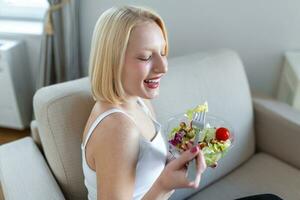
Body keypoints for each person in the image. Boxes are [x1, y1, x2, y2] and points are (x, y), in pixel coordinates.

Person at [81, 5, 207, 200]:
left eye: (163, 52)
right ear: (113, 61)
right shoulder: (117, 128)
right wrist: (164, 185)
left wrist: (178, 159)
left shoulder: (139, 100)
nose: (163, 67)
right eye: (146, 57)